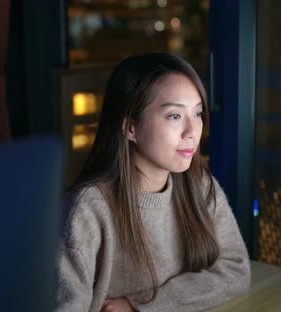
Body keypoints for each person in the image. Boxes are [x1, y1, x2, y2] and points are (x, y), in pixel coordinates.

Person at [54, 52, 250, 312]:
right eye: (174, 116)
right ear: (130, 128)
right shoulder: (87, 209)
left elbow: (236, 269)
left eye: (198, 113)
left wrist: (140, 307)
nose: (193, 132)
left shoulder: (199, 183)